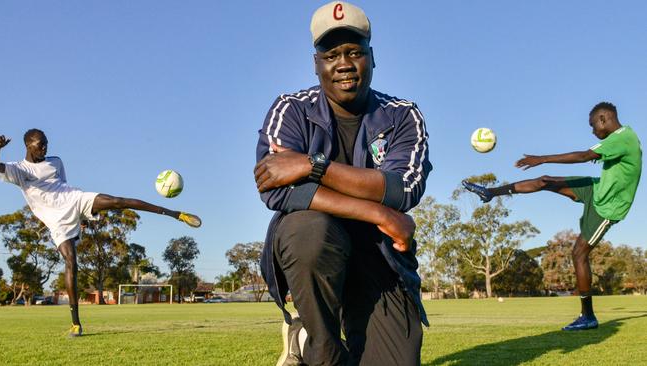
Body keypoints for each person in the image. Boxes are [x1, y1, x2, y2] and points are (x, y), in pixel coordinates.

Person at [254, 2, 432, 365]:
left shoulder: (402, 115)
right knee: (306, 228)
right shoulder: (291, 109)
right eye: (331, 54)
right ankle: (317, 343)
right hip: (318, 247)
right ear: (316, 63)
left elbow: (401, 189)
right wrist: (375, 210)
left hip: (379, 255)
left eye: (354, 52)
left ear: (372, 56)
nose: (344, 64)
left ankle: (310, 339)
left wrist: (310, 165)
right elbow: (275, 188)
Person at [0, 129, 201, 337]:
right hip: (56, 221)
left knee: (117, 201)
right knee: (71, 262)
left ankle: (176, 214)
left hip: (74, 199)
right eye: (40, 144)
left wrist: (81, 217)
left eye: (46, 143)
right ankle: (76, 323)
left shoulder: (55, 161)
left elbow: (63, 186)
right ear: (28, 145)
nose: (45, 147)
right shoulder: (19, 170)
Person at [462, 102, 642, 331]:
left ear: (604, 118)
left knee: (578, 254)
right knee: (545, 180)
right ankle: (490, 193)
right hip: (597, 189)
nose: (592, 130)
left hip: (608, 207)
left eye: (593, 125)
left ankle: (588, 316)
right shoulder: (616, 138)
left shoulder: (623, 138)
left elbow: (584, 156)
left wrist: (542, 157)